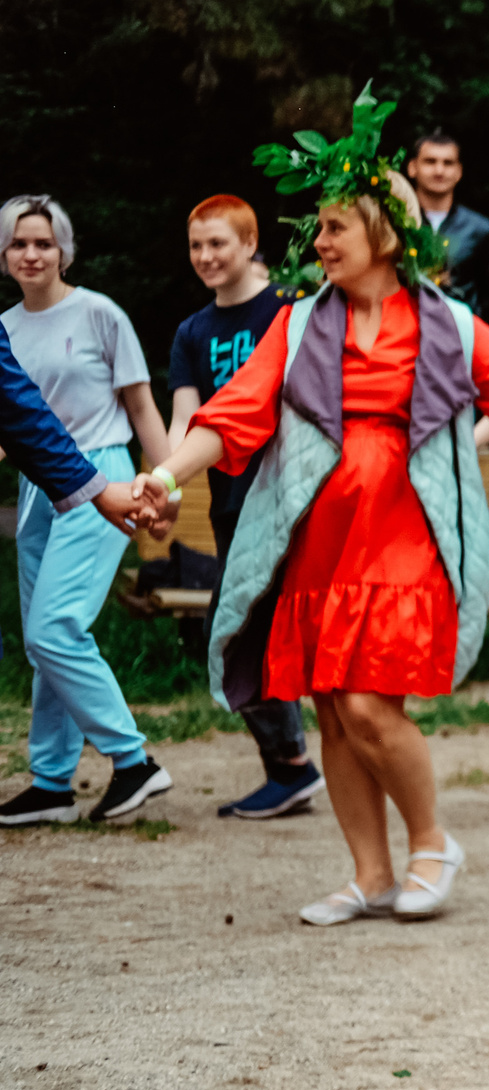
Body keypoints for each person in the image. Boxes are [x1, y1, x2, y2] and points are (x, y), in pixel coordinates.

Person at [138, 90, 489, 925]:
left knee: (370, 704)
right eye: (320, 227)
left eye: (335, 226)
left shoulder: (446, 324)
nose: (318, 240)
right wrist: (166, 477)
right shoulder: (298, 326)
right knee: (333, 708)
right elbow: (232, 417)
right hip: (319, 543)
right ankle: (370, 872)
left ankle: (433, 841)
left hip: (402, 540)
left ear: (385, 233)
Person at [0, 194, 176, 826]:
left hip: (105, 478)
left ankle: (134, 763)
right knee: (45, 638)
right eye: (19, 242)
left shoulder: (100, 313)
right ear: (3, 253)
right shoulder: (5, 326)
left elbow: (142, 408)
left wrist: (168, 487)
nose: (31, 253)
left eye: (43, 242)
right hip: (36, 487)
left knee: (55, 629)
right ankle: (50, 780)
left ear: (63, 249)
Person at [170, 194, 322, 820]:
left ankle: (314, 759)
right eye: (196, 246)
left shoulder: (293, 308)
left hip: (296, 498)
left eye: (218, 244)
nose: (205, 257)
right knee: (234, 631)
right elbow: (185, 418)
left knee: (295, 629)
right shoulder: (192, 332)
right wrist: (165, 484)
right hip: (233, 507)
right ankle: (289, 766)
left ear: (251, 241)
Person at [407, 129, 489, 303]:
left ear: (459, 171)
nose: (439, 170)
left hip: (462, 326)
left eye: (448, 163)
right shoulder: (396, 223)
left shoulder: (479, 229)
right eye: (430, 161)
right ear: (412, 167)